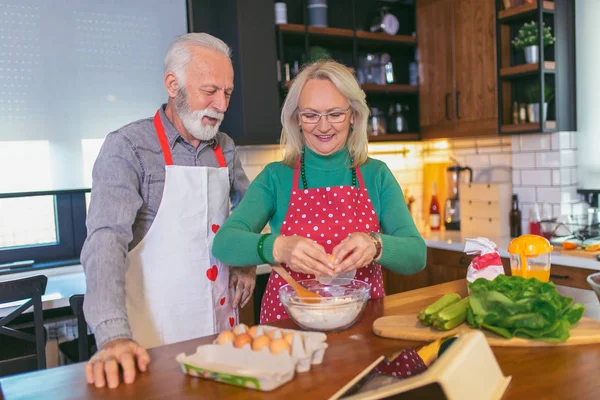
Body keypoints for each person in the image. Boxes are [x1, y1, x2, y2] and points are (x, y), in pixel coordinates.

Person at [81, 33, 255, 389]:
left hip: (221, 333)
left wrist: (245, 261)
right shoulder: (128, 147)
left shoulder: (225, 146)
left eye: (227, 93)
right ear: (173, 85)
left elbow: (248, 210)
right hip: (152, 339)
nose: (221, 105)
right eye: (210, 91)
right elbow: (105, 242)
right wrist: (113, 336)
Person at [212, 60, 426, 324]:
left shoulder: (376, 174)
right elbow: (224, 243)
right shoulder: (276, 177)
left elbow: (417, 255)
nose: (323, 127)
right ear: (297, 120)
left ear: (354, 116)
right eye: (311, 115)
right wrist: (278, 247)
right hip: (289, 325)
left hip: (364, 323)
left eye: (335, 114)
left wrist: (375, 245)